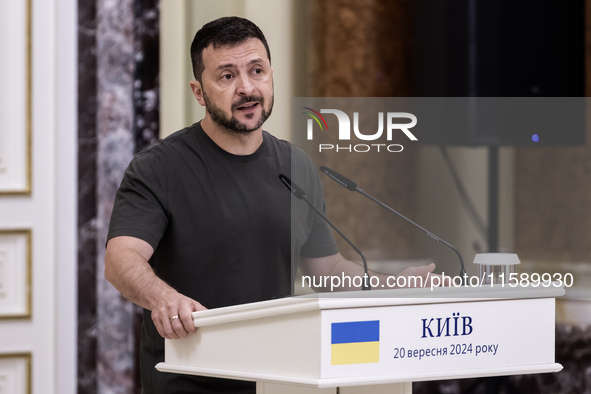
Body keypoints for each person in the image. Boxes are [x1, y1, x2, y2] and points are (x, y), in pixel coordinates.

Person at [104, 16, 436, 394]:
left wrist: (393, 286)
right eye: (227, 76)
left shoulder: (297, 165)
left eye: (256, 70)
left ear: (271, 75)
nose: (247, 88)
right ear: (199, 92)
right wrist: (164, 299)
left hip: (278, 376)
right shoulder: (159, 167)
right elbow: (120, 258)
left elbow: (327, 270)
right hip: (189, 376)